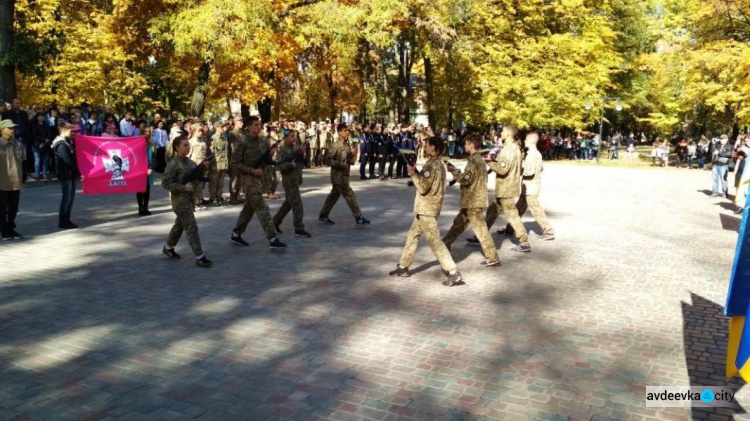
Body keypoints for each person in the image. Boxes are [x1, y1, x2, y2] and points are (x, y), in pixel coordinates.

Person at [389, 136, 464, 286]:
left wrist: (412, 173)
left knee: (435, 241)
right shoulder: (438, 164)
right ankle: (403, 266)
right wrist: (416, 175)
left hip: (427, 209)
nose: (425, 147)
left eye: (428, 145)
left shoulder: (432, 166)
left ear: (434, 148)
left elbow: (423, 187)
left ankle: (453, 272)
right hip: (426, 209)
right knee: (412, 236)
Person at [467, 125, 530, 252]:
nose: (500, 133)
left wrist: (489, 161)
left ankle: (524, 242)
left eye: (502, 131)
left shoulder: (508, 150)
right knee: (492, 211)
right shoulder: (514, 148)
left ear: (507, 134)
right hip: (505, 187)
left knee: (512, 215)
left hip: (506, 188)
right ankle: (480, 236)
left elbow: (502, 168)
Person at [442, 134, 500, 266]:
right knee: (459, 222)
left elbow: (465, 179)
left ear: (472, 145)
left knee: (481, 230)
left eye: (466, 144)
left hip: (473, 200)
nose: (464, 146)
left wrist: (454, 171)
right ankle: (445, 243)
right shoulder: (478, 160)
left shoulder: (474, 161)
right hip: (471, 200)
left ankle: (492, 257)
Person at [230, 116, 287, 249]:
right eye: (255, 125)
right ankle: (272, 238)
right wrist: (251, 171)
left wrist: (270, 155)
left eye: (259, 124)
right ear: (248, 127)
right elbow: (234, 163)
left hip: (260, 179)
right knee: (262, 208)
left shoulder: (262, 141)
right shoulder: (242, 142)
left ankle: (236, 234)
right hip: (249, 180)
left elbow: (266, 161)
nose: (259, 127)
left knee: (249, 209)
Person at [161, 135, 213, 267]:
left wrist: (203, 168)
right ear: (177, 148)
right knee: (191, 226)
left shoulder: (190, 163)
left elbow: (198, 177)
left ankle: (168, 247)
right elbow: (165, 183)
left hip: (189, 199)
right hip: (179, 200)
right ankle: (199, 256)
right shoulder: (173, 164)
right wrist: (182, 187)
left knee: (180, 225)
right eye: (184, 145)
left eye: (188, 145)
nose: (188, 147)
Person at [498, 132, 555, 241]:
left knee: (536, 210)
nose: (524, 141)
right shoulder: (536, 154)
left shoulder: (532, 155)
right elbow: (541, 168)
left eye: (526, 140)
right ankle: (510, 229)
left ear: (531, 141)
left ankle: (548, 231)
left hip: (531, 189)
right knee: (518, 210)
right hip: (528, 188)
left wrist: (517, 170)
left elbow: (529, 172)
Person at [318, 123, 371, 227]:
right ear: (339, 132)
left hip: (344, 175)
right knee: (349, 195)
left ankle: (323, 215)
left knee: (333, 196)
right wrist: (341, 164)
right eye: (345, 130)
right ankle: (358, 217)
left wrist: (352, 153)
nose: (347, 132)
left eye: (348, 130)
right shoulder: (336, 145)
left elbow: (349, 161)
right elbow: (328, 160)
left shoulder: (346, 144)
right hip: (338, 176)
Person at [273, 131, 311, 238]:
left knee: (288, 204)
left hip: (295, 180)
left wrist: (301, 154)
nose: (294, 138)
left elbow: (301, 163)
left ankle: (275, 222)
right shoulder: (283, 151)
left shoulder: (293, 149)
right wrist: (290, 165)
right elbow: (278, 166)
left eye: (295, 136)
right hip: (289, 182)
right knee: (297, 205)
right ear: (285, 138)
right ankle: (299, 228)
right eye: (292, 136)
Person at [52, 122, 80, 229]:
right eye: (70, 130)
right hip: (65, 174)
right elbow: (67, 160)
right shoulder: (60, 144)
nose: (71, 132)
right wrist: (78, 171)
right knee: (66, 197)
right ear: (63, 130)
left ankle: (67, 219)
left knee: (71, 198)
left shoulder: (67, 142)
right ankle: (63, 220)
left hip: (70, 173)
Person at [0, 120, 23, 240]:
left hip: (16, 181)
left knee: (14, 208)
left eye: (13, 128)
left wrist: (22, 178)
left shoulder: (18, 144)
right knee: (2, 208)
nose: (12, 130)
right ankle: (4, 230)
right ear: (2, 129)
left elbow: (23, 161)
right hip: (2, 182)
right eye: (9, 128)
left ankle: (11, 227)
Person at [187, 123, 208, 210]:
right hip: (194, 165)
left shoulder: (203, 142)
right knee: (194, 185)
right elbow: (188, 155)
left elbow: (204, 154)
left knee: (200, 185)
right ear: (194, 131)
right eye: (199, 131)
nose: (201, 132)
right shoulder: (191, 142)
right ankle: (194, 203)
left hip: (202, 165)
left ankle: (199, 201)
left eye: (202, 131)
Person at [209, 121, 229, 207]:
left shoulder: (224, 138)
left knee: (221, 183)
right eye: (221, 127)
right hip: (216, 164)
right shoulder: (213, 139)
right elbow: (211, 153)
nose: (223, 128)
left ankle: (218, 197)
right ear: (217, 128)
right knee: (214, 183)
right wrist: (212, 165)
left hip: (223, 163)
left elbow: (226, 152)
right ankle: (213, 199)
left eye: (224, 127)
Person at [137, 128, 155, 216]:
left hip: (149, 169)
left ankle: (146, 207)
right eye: (146, 131)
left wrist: (151, 168)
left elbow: (154, 157)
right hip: (139, 170)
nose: (148, 133)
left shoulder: (151, 143)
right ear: (142, 132)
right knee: (140, 189)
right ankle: (140, 207)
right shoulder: (137, 143)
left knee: (147, 189)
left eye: (149, 132)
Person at [226, 118, 244, 204]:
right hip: (234, 159)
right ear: (235, 122)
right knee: (234, 179)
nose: (242, 123)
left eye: (242, 121)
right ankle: (232, 197)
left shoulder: (242, 133)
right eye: (240, 121)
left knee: (240, 179)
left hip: (241, 159)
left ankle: (237, 195)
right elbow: (229, 148)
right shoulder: (231, 134)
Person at [31, 112, 52, 180]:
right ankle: (37, 174)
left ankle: (44, 173)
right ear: (37, 118)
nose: (41, 118)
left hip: (46, 145)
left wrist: (47, 139)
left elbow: (50, 133)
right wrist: (43, 139)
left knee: (45, 160)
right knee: (38, 160)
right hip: (37, 144)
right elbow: (34, 135)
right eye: (40, 116)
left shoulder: (46, 125)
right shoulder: (34, 125)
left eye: (42, 116)